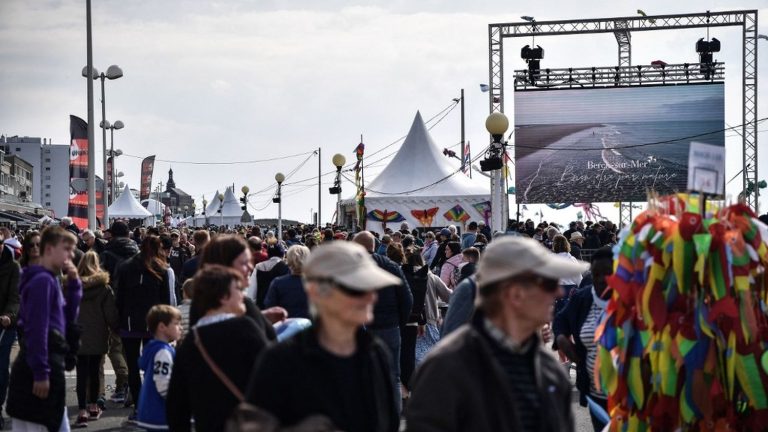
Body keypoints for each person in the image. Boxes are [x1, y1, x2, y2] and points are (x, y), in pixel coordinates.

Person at [406, 236, 586, 432]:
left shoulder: (548, 369)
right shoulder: (448, 366)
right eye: (549, 285)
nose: (559, 292)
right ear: (515, 294)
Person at [246, 242, 400, 431]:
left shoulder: (376, 353)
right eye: (357, 289)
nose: (371, 297)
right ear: (317, 292)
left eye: (372, 287)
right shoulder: (280, 360)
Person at [167, 265, 270, 432]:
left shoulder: (191, 341)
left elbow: (176, 404)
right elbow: (271, 375)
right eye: (238, 289)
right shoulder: (245, 328)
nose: (243, 295)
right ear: (223, 297)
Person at [6, 226, 82, 432]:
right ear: (49, 249)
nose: (71, 255)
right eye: (66, 248)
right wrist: (41, 372)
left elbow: (64, 322)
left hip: (43, 365)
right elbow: (37, 329)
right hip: (39, 368)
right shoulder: (43, 281)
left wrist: (75, 288)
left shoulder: (48, 279)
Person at [114, 235, 176, 420]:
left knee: (133, 366)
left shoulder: (125, 267)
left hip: (129, 323)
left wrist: (119, 320)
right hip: (154, 325)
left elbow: (119, 297)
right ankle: (152, 404)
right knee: (154, 365)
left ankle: (139, 406)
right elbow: (167, 300)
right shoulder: (163, 269)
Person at [553, 247, 614, 432]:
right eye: (596, 274)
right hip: (597, 394)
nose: (601, 279)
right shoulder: (583, 297)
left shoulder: (635, 299)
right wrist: (563, 340)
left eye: (608, 273)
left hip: (631, 395)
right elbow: (561, 320)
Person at [352, 231, 411, 412]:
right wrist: (399, 322)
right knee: (393, 376)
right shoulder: (391, 266)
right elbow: (407, 299)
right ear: (374, 245)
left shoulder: (351, 268)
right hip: (390, 327)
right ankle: (392, 418)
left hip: (360, 328)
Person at [73, 251, 117, 427]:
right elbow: (111, 315)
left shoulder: (70, 286)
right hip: (98, 334)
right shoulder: (104, 288)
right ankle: (93, 406)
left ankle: (82, 410)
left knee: (81, 373)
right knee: (94, 371)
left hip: (77, 334)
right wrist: (116, 328)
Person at [137, 305, 182, 431]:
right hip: (160, 414)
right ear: (162, 327)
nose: (180, 328)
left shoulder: (154, 348)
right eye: (176, 324)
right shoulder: (163, 352)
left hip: (151, 412)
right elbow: (163, 385)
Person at [0, 242, 19, 429]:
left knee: (1, 366)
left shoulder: (13, 267)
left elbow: (15, 297)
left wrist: (9, 315)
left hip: (5, 324)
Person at [264, 245, 311, 319]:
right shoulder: (317, 284)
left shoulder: (278, 283)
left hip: (285, 326)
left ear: (289, 260)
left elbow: (270, 309)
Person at [249, 242, 289, 309]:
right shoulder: (287, 267)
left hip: (262, 308)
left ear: (268, 253)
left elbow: (252, 292)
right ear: (282, 254)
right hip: (282, 309)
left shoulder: (259, 266)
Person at [552, 234, 582, 320]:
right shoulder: (571, 259)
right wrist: (581, 286)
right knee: (570, 317)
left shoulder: (551, 259)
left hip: (556, 290)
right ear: (566, 244)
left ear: (554, 245)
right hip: (570, 290)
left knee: (557, 317)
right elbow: (578, 276)